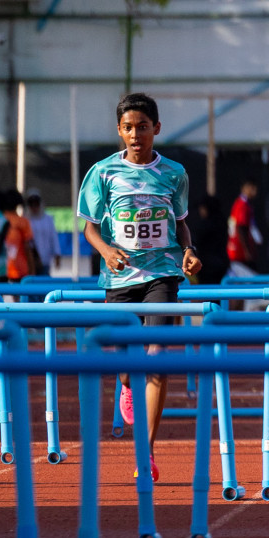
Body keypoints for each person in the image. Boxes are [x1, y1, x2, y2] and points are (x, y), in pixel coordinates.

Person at [78, 92, 201, 482]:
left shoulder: (174, 173)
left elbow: (180, 222)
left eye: (142, 127)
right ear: (119, 131)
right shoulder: (102, 172)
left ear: (156, 129)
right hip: (119, 277)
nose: (135, 134)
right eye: (128, 128)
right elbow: (90, 227)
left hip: (162, 273)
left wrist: (189, 250)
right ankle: (127, 384)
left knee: (158, 357)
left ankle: (145, 454)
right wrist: (105, 249)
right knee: (129, 366)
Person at [0, 189, 38, 281]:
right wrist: (32, 270)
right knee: (20, 294)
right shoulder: (22, 222)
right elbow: (28, 247)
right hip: (19, 270)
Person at [225, 180, 263, 279]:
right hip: (240, 252)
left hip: (238, 251)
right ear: (244, 188)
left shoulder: (242, 203)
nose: (254, 191)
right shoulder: (243, 204)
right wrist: (247, 251)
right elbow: (241, 227)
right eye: (251, 188)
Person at [24, 191, 60, 273]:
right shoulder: (25, 220)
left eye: (36, 204)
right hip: (29, 262)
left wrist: (57, 254)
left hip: (45, 261)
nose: (34, 207)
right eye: (31, 204)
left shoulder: (48, 219)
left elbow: (53, 238)